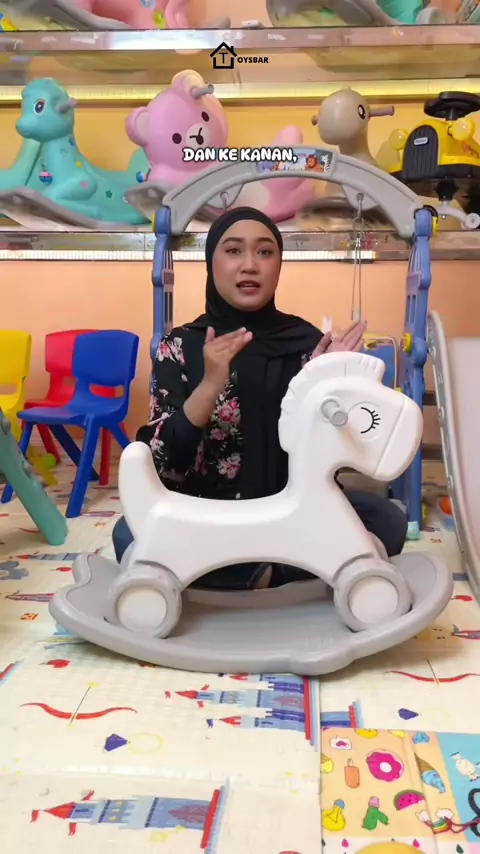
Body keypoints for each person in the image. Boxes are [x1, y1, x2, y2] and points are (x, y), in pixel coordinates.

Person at [113, 206, 407, 589]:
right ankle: (283, 571)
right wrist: (209, 385)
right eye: (234, 250)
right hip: (206, 517)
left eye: (265, 252)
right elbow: (164, 465)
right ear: (212, 262)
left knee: (388, 519)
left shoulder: (305, 342)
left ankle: (249, 574)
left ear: (279, 265)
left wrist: (331, 380)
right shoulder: (181, 346)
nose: (250, 265)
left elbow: (339, 456)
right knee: (128, 534)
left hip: (294, 513)